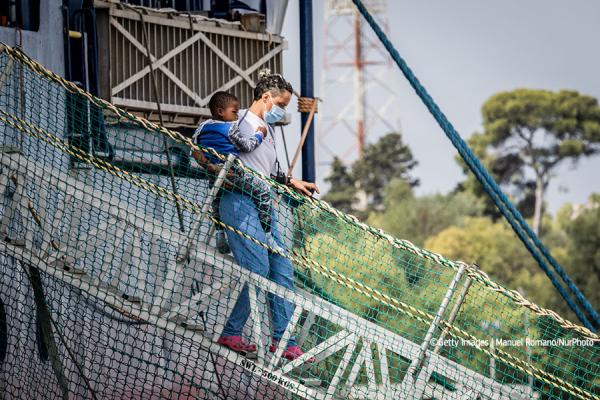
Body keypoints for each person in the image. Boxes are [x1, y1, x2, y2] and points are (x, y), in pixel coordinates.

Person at [216, 71, 319, 361]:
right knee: (258, 268)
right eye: (282, 105)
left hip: (263, 205)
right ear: (266, 98)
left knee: (282, 270)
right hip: (239, 202)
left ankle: (284, 341)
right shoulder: (240, 122)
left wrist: (291, 181)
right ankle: (232, 332)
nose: (283, 112)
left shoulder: (267, 129)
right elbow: (232, 153)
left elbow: (267, 170)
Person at [192, 91, 283, 253]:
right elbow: (246, 146)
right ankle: (268, 236)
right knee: (263, 192)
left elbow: (194, 144)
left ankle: (220, 233)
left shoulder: (203, 126)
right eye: (234, 112)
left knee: (216, 199)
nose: (236, 116)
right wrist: (259, 134)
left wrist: (209, 164)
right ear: (220, 111)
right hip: (233, 171)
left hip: (215, 171)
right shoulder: (230, 128)